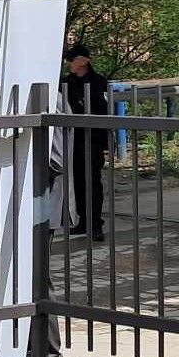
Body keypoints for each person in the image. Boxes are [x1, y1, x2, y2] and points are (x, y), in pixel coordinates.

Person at [55, 45, 110, 241]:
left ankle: (95, 224)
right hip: (72, 139)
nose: (69, 63)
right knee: (77, 181)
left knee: (93, 183)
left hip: (92, 139)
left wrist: (105, 143)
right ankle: (82, 221)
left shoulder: (98, 82)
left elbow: (104, 112)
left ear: (84, 61)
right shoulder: (66, 83)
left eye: (73, 59)